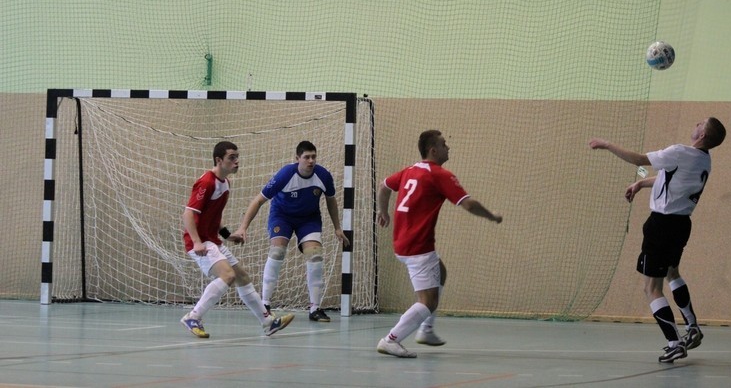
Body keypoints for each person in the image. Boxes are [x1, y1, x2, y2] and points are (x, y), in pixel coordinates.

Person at [589, 117, 726, 363]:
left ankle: (674, 342)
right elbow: (670, 180)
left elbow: (640, 160)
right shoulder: (704, 159)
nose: (695, 122)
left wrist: (608, 145)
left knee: (651, 288)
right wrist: (642, 183)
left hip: (661, 225)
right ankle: (692, 326)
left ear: (703, 135)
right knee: (673, 273)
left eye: (701, 123)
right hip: (682, 224)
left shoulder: (679, 152)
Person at [375, 130, 503, 358]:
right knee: (428, 301)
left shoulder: (410, 170)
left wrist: (382, 211)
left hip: (402, 241)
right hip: (417, 246)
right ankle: (391, 340)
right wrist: (491, 216)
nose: (448, 148)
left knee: (440, 272)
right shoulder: (439, 175)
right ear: (433, 150)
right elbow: (469, 205)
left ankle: (426, 330)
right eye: (445, 144)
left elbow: (384, 186)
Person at [180, 141, 295, 338]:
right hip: (199, 242)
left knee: (242, 276)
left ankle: (268, 322)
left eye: (237, 157)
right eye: (231, 158)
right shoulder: (207, 182)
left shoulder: (225, 183)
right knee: (228, 275)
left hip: (212, 239)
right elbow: (188, 214)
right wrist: (197, 242)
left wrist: (227, 235)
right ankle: (194, 316)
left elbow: (213, 216)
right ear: (219, 160)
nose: (236, 161)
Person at [231, 141, 350, 323]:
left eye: (313, 157)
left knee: (315, 255)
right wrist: (243, 227)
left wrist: (337, 227)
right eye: (306, 157)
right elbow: (258, 201)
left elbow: (331, 201)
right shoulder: (285, 175)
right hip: (282, 216)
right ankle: (265, 304)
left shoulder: (323, 176)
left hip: (308, 219)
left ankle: (315, 309)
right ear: (297, 159)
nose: (311, 161)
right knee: (277, 251)